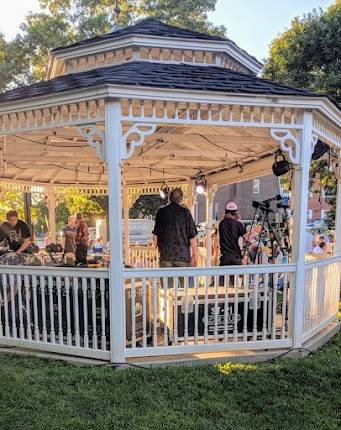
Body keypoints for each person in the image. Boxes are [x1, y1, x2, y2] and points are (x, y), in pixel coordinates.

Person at [153, 188, 198, 268]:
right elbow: (192, 236)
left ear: (169, 198)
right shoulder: (186, 213)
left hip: (166, 255)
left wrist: (155, 250)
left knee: (167, 280)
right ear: (181, 199)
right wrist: (195, 255)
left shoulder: (161, 212)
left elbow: (155, 234)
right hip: (182, 256)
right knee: (183, 280)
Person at [219, 201, 246, 266]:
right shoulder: (239, 224)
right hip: (236, 257)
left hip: (224, 258)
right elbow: (245, 239)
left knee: (223, 276)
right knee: (238, 276)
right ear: (236, 212)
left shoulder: (221, 224)